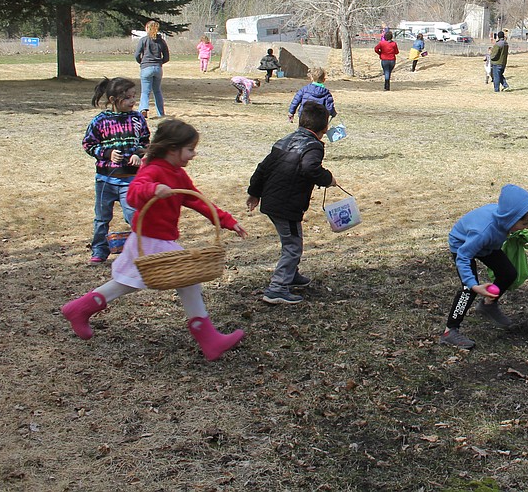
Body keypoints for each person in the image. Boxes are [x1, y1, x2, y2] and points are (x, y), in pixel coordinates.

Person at [60, 119, 249, 361]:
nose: (193, 154)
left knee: (136, 282)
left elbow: (196, 200)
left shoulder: (177, 174)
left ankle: (79, 308)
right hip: (150, 239)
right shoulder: (152, 170)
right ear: (172, 148)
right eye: (189, 149)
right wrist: (153, 189)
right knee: (185, 280)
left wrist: (226, 220)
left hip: (159, 238)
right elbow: (134, 193)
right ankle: (209, 339)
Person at [247, 101, 335, 305]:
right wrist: (327, 178)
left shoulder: (284, 141)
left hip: (273, 200)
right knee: (293, 246)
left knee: (291, 241)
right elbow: (310, 168)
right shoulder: (313, 146)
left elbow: (263, 168)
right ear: (325, 128)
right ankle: (277, 288)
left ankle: (291, 275)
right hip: (286, 204)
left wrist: (254, 192)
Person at [439, 184, 528, 349]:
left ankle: (488, 306)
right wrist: (473, 285)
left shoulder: (505, 220)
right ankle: (449, 331)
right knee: (468, 290)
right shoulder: (483, 231)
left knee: (508, 273)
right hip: (463, 245)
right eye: (524, 223)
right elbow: (464, 256)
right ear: (510, 218)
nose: (527, 226)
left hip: (487, 246)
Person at [82, 77, 150, 264]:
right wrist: (107, 153)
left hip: (129, 180)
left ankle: (142, 249)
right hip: (105, 180)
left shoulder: (137, 119)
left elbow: (145, 141)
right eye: (127, 98)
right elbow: (88, 144)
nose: (132, 101)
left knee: (134, 216)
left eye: (133, 97)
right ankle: (99, 251)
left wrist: (138, 154)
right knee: (102, 218)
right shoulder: (100, 121)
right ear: (113, 100)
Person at [134, 20, 170, 119]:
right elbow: (166, 57)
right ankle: (161, 113)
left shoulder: (143, 40)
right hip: (158, 68)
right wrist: (159, 63)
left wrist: (141, 63)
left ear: (147, 29)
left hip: (146, 67)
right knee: (157, 91)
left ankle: (143, 109)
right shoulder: (161, 41)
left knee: (145, 91)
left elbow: (137, 55)